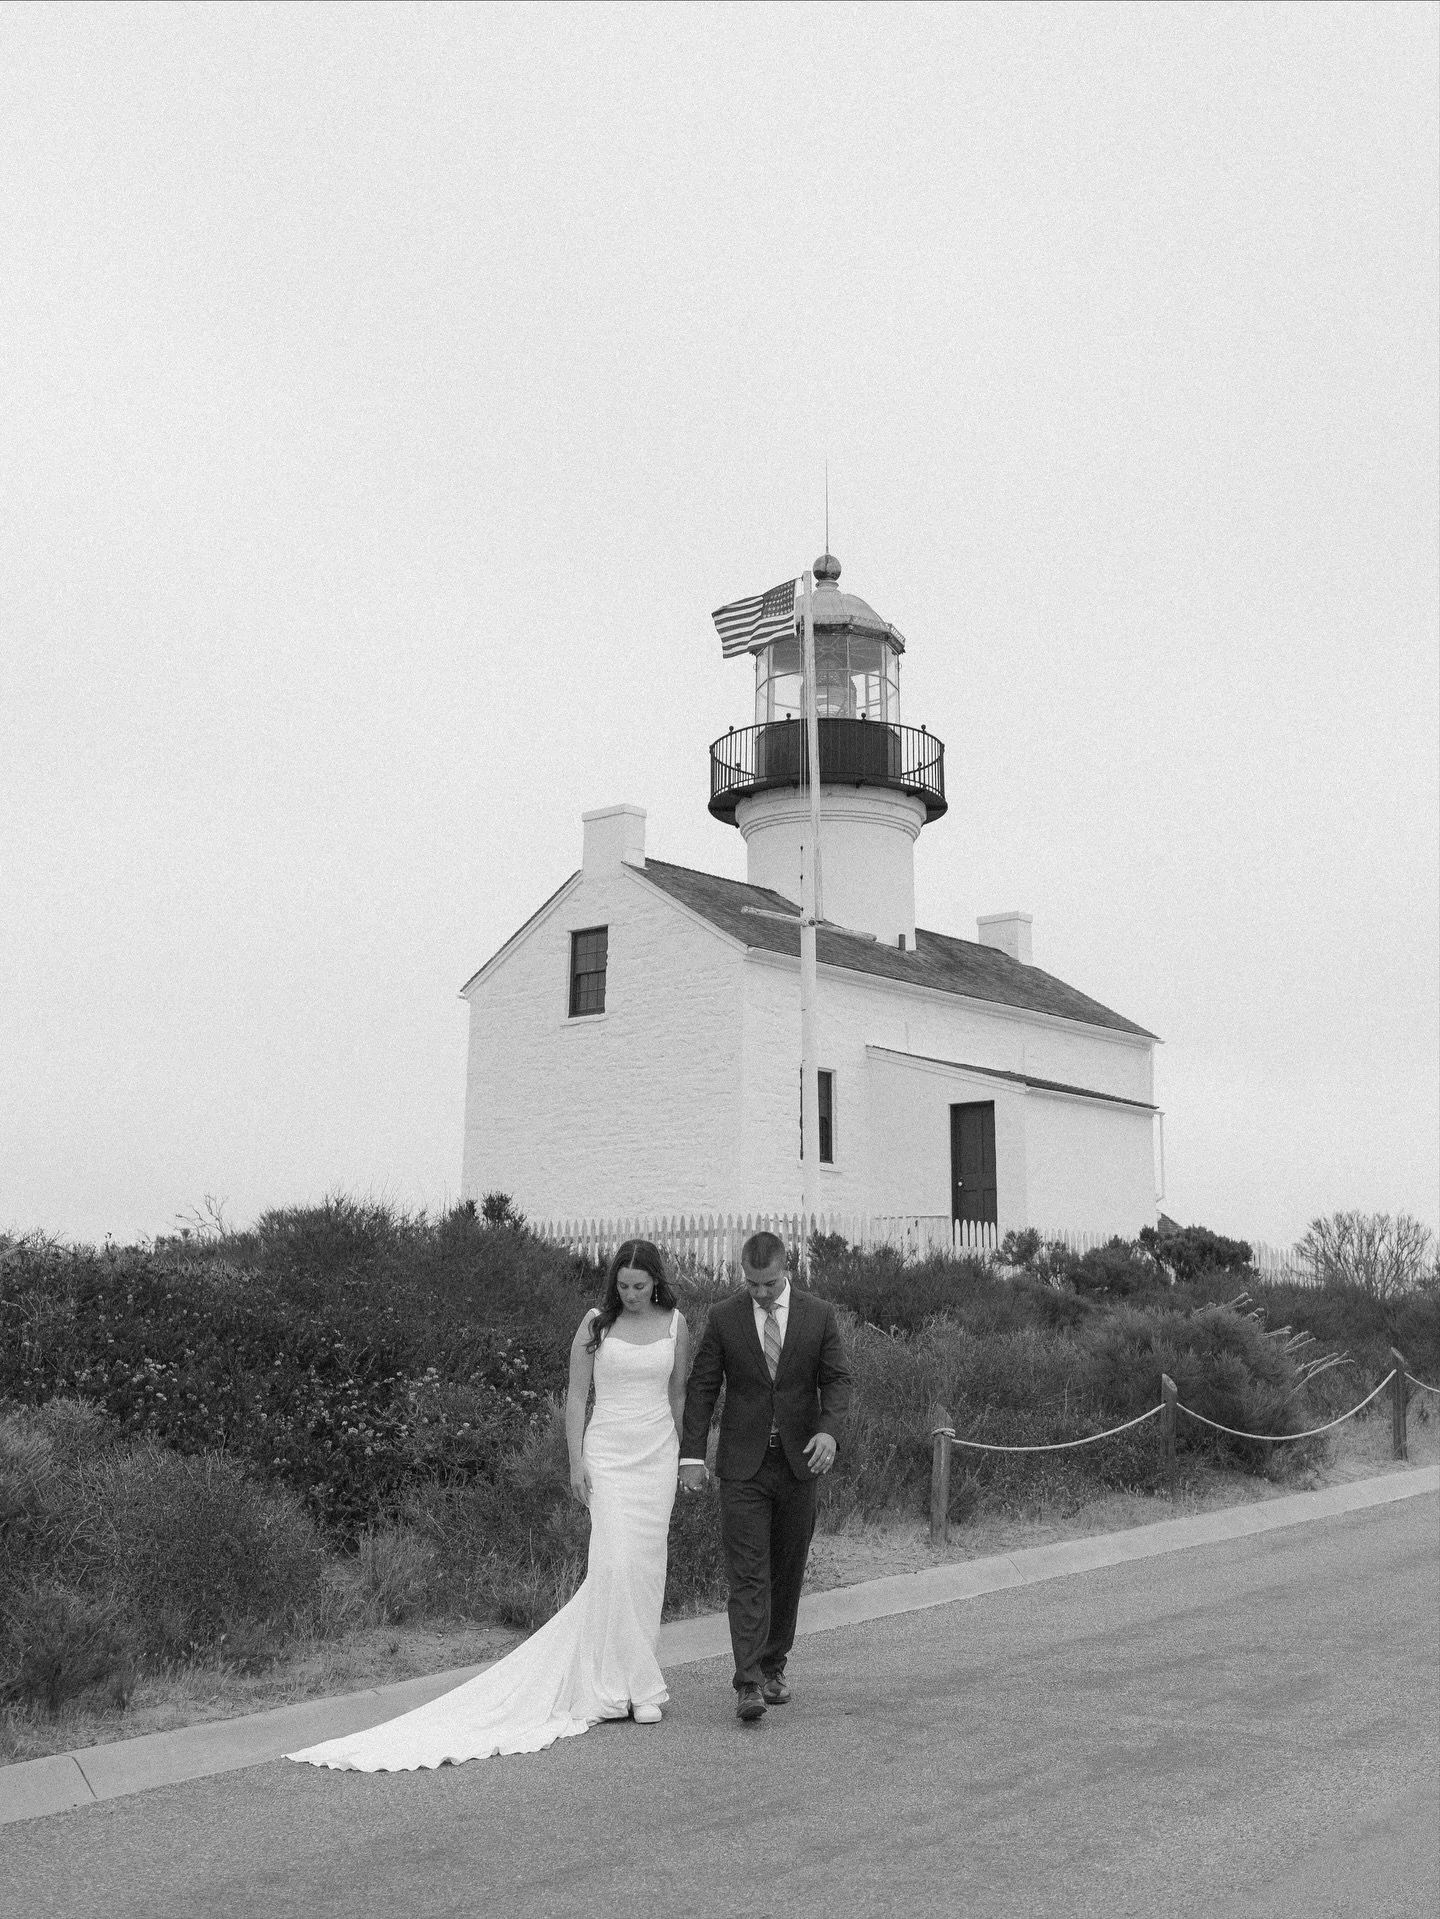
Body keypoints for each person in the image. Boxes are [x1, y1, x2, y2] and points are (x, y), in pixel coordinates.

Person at [286, 1239, 689, 1771]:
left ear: (655, 1282)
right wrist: (576, 1463)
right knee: (612, 1564)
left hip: (657, 1455)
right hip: (609, 1456)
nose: (631, 1294)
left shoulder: (676, 1325)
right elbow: (576, 1397)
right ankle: (617, 1686)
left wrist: (689, 1458)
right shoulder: (596, 1325)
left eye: (639, 1286)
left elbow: (678, 1394)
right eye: (623, 1285)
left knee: (646, 1568)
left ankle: (640, 1685)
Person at [678, 1230, 852, 1722]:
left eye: (768, 1284)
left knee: (787, 1571)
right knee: (748, 1574)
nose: (759, 1293)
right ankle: (748, 1682)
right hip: (742, 1467)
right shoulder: (724, 1317)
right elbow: (703, 1386)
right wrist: (691, 1456)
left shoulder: (819, 1314)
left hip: (799, 1464)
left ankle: (774, 1666)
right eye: (751, 1284)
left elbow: (837, 1379)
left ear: (785, 1269)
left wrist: (829, 1432)